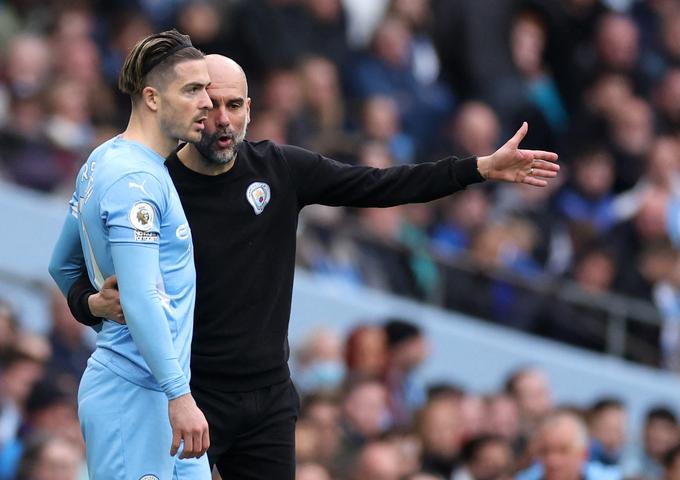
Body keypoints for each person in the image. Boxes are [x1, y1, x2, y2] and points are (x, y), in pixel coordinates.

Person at [65, 54, 559, 478]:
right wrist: (91, 304)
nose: (221, 118)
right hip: (189, 396)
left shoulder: (280, 168)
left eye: (234, 105)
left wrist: (479, 169)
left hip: (267, 400)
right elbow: (77, 274)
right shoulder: (155, 185)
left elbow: (381, 184)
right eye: (209, 104)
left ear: (249, 110)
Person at [48, 30, 212, 479]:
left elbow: (62, 266)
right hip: (135, 395)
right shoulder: (133, 182)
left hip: (162, 394)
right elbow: (139, 296)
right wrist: (180, 396)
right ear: (153, 98)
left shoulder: (107, 160)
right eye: (193, 90)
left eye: (208, 91)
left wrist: (91, 303)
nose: (208, 104)